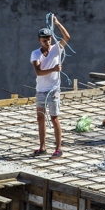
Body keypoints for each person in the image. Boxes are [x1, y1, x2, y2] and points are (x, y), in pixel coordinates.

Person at [30, 18, 70, 157]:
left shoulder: (56, 49)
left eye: (48, 39)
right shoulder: (35, 53)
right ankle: (42, 148)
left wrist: (58, 23)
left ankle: (58, 148)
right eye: (44, 40)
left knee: (54, 119)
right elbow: (38, 72)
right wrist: (53, 69)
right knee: (40, 119)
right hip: (41, 91)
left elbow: (67, 37)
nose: (47, 42)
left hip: (53, 91)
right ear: (39, 41)